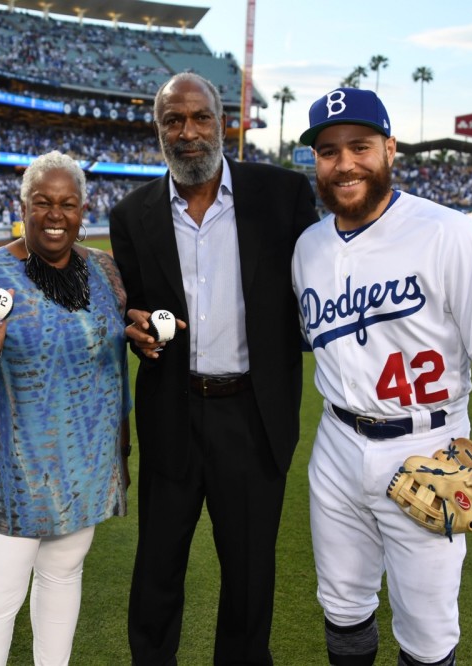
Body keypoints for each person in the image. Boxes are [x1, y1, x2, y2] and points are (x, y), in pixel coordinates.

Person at [291, 87, 472, 666]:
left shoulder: (446, 231)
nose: (345, 163)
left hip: (428, 447)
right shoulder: (306, 248)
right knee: (342, 604)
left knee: (428, 633)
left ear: (389, 149)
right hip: (336, 442)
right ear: (316, 163)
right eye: (329, 151)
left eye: (360, 146)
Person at [109, 72, 320, 664]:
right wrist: (138, 333)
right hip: (173, 414)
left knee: (250, 580)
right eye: (173, 120)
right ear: (158, 131)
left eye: (201, 117)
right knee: (157, 571)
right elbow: (136, 313)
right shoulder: (133, 214)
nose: (189, 132)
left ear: (223, 123)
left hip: (253, 417)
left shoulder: (282, 195)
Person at [0, 150, 130, 664]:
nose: (54, 214)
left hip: (85, 474)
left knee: (63, 583)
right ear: (20, 205)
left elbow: (115, 360)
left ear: (83, 210)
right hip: (12, 481)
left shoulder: (105, 272)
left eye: (67, 203)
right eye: (42, 201)